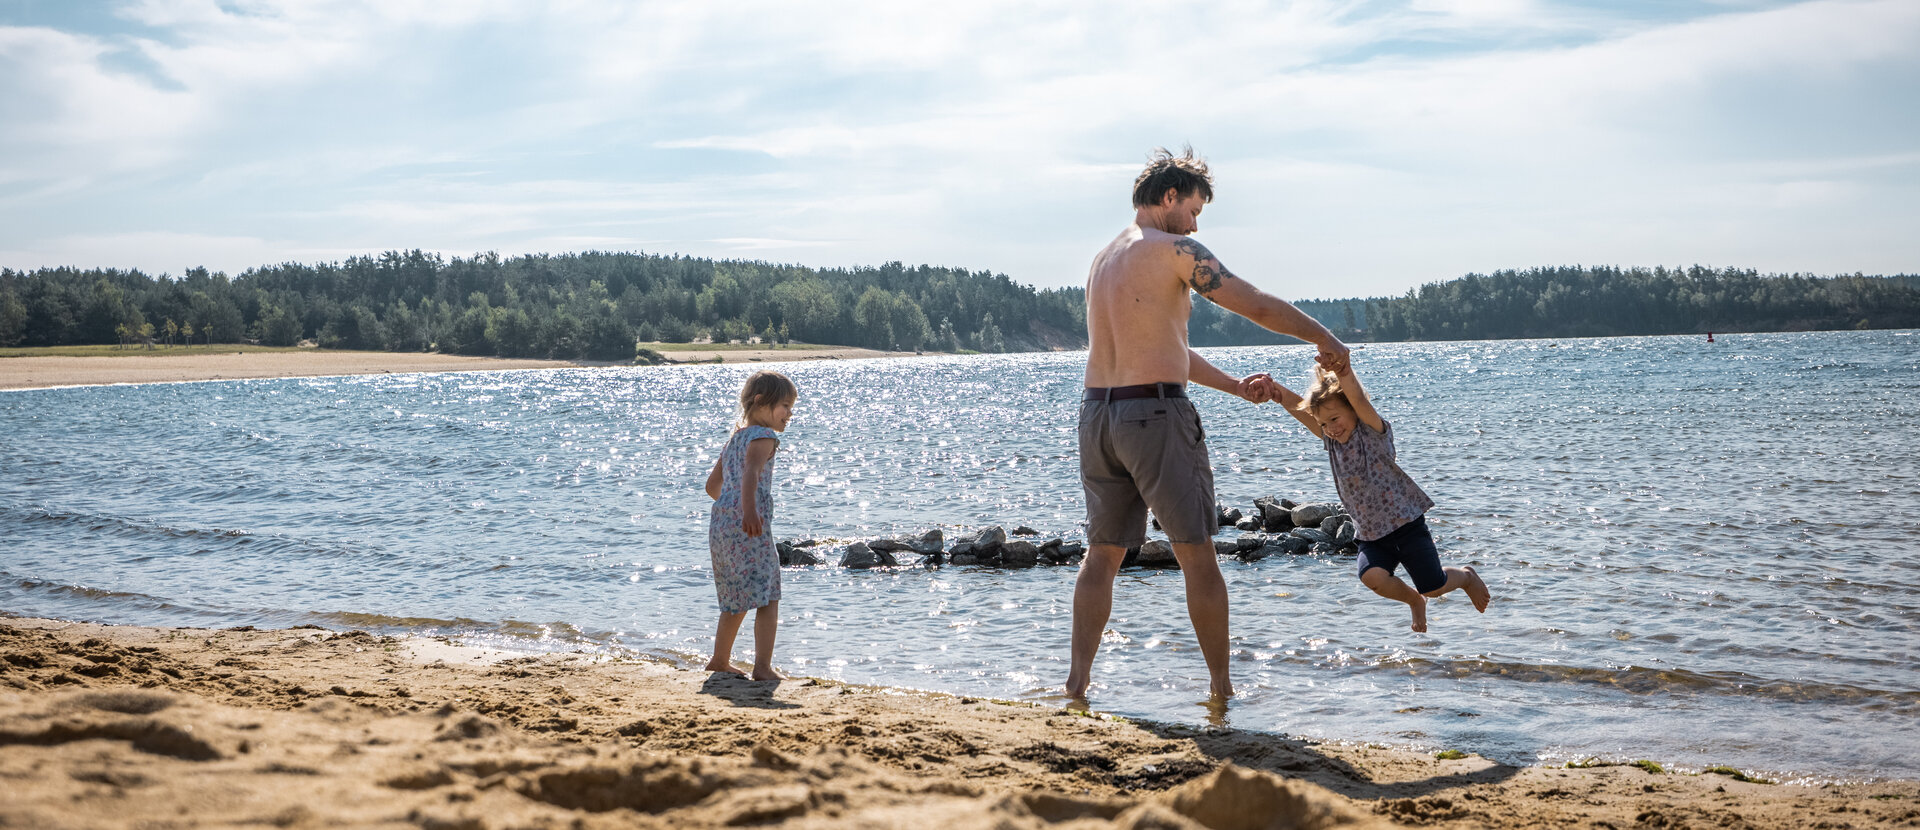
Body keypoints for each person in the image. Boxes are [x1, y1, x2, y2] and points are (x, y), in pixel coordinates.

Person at [1068, 146, 1351, 700]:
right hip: (1154, 417)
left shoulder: (1104, 259)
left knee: (1102, 553)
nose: (1197, 223)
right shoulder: (1176, 250)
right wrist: (1324, 337)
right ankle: (1222, 689)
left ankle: (1076, 686)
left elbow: (1163, 348)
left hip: (1098, 415)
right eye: (1194, 209)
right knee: (1196, 550)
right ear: (1169, 197)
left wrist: (1234, 387)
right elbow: (1254, 305)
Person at [1268, 362, 1491, 632]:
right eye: (1324, 423)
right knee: (1371, 577)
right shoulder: (1331, 443)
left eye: (1335, 419)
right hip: (1372, 534)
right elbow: (1302, 411)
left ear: (1353, 409)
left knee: (1433, 587)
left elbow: (1359, 397)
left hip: (1406, 525)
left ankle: (1466, 577)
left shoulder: (1373, 432)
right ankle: (1413, 600)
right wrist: (1277, 392)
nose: (1330, 428)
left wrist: (1343, 369)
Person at [703, 370, 797, 681]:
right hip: (748, 524)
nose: (789, 413)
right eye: (784, 405)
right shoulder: (764, 437)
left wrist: (731, 506)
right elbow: (752, 474)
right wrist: (749, 511)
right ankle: (762, 667)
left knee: (735, 596)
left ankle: (719, 659)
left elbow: (712, 486)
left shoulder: (735, 439)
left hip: (721, 524)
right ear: (760, 401)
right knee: (768, 594)